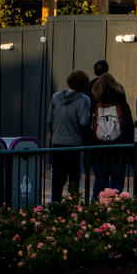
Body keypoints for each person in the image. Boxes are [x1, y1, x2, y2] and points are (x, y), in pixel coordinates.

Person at [46, 69, 91, 202]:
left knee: (57, 177)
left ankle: (55, 204)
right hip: (75, 144)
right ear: (84, 85)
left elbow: (50, 120)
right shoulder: (84, 100)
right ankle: (72, 205)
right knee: (74, 178)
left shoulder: (56, 97)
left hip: (58, 143)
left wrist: (55, 134)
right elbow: (84, 122)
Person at [88, 72, 134, 197]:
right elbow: (129, 127)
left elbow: (88, 127)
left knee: (100, 182)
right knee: (117, 184)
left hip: (97, 151)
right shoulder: (121, 102)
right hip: (118, 151)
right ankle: (115, 210)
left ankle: (97, 210)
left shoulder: (94, 103)